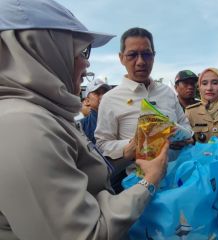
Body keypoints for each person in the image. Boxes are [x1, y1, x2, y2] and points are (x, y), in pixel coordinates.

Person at [0, 0, 169, 239]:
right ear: (41, 51)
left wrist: (129, 153)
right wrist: (150, 179)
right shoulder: (21, 127)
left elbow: (85, 172)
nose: (86, 62)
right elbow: (87, 234)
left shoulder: (43, 114)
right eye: (81, 51)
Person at [95, 27, 192, 162]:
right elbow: (102, 145)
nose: (140, 62)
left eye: (146, 54)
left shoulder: (167, 92)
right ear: (121, 58)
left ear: (154, 56)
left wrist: (182, 137)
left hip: (180, 176)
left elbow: (185, 125)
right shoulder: (110, 99)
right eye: (132, 55)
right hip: (138, 180)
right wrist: (135, 143)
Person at [80, 78, 111, 143]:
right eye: (97, 93)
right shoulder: (81, 125)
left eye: (105, 92)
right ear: (87, 101)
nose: (103, 96)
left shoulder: (120, 117)